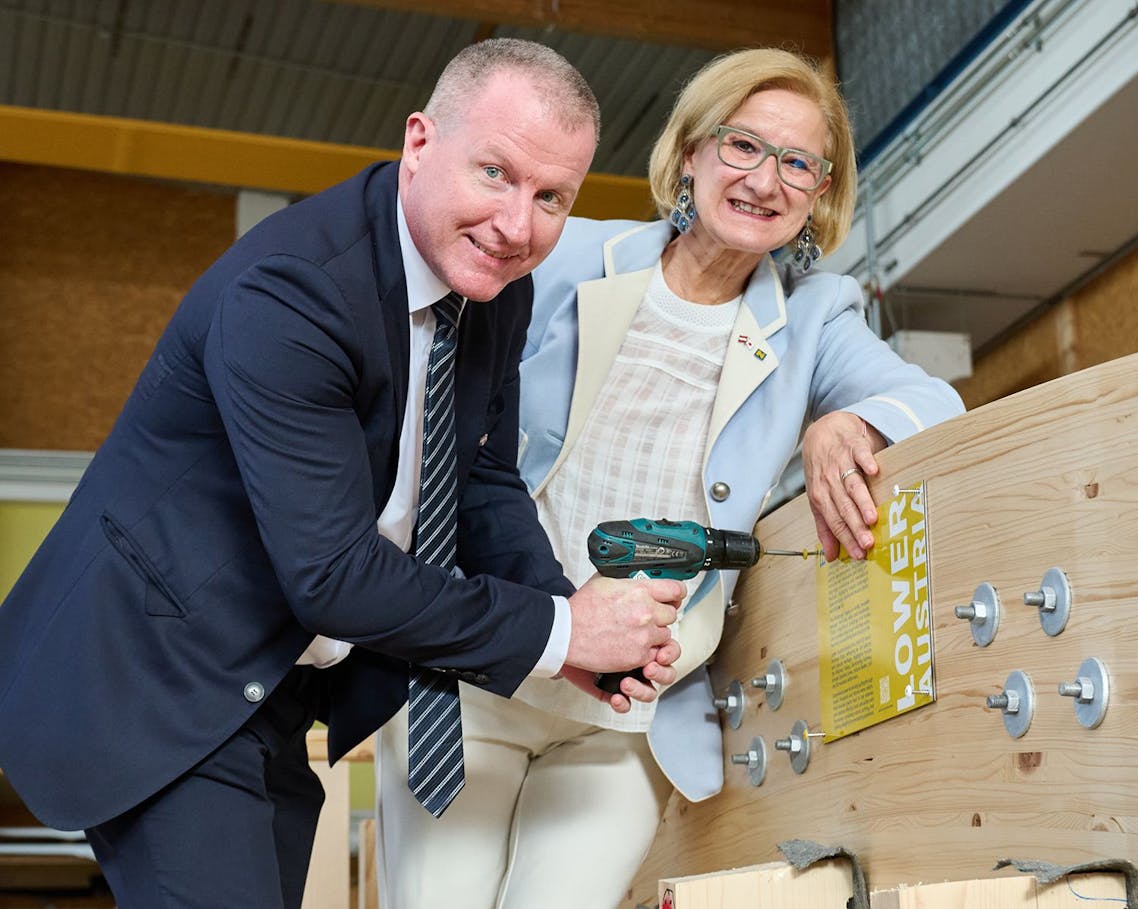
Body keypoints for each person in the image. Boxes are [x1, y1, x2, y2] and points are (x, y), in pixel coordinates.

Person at [0, 39, 685, 909]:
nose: (518, 225)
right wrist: (559, 629)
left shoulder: (495, 289)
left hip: (279, 688)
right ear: (420, 142)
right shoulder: (292, 293)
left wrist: (572, 631)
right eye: (495, 173)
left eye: (552, 197)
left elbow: (481, 482)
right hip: (159, 675)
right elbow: (332, 574)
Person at [375, 47, 966, 908]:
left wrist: (852, 417)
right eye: (743, 146)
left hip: (629, 712)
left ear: (819, 195)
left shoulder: (812, 320)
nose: (766, 180)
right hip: (484, 659)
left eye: (799, 163)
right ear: (690, 153)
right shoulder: (565, 254)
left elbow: (933, 401)